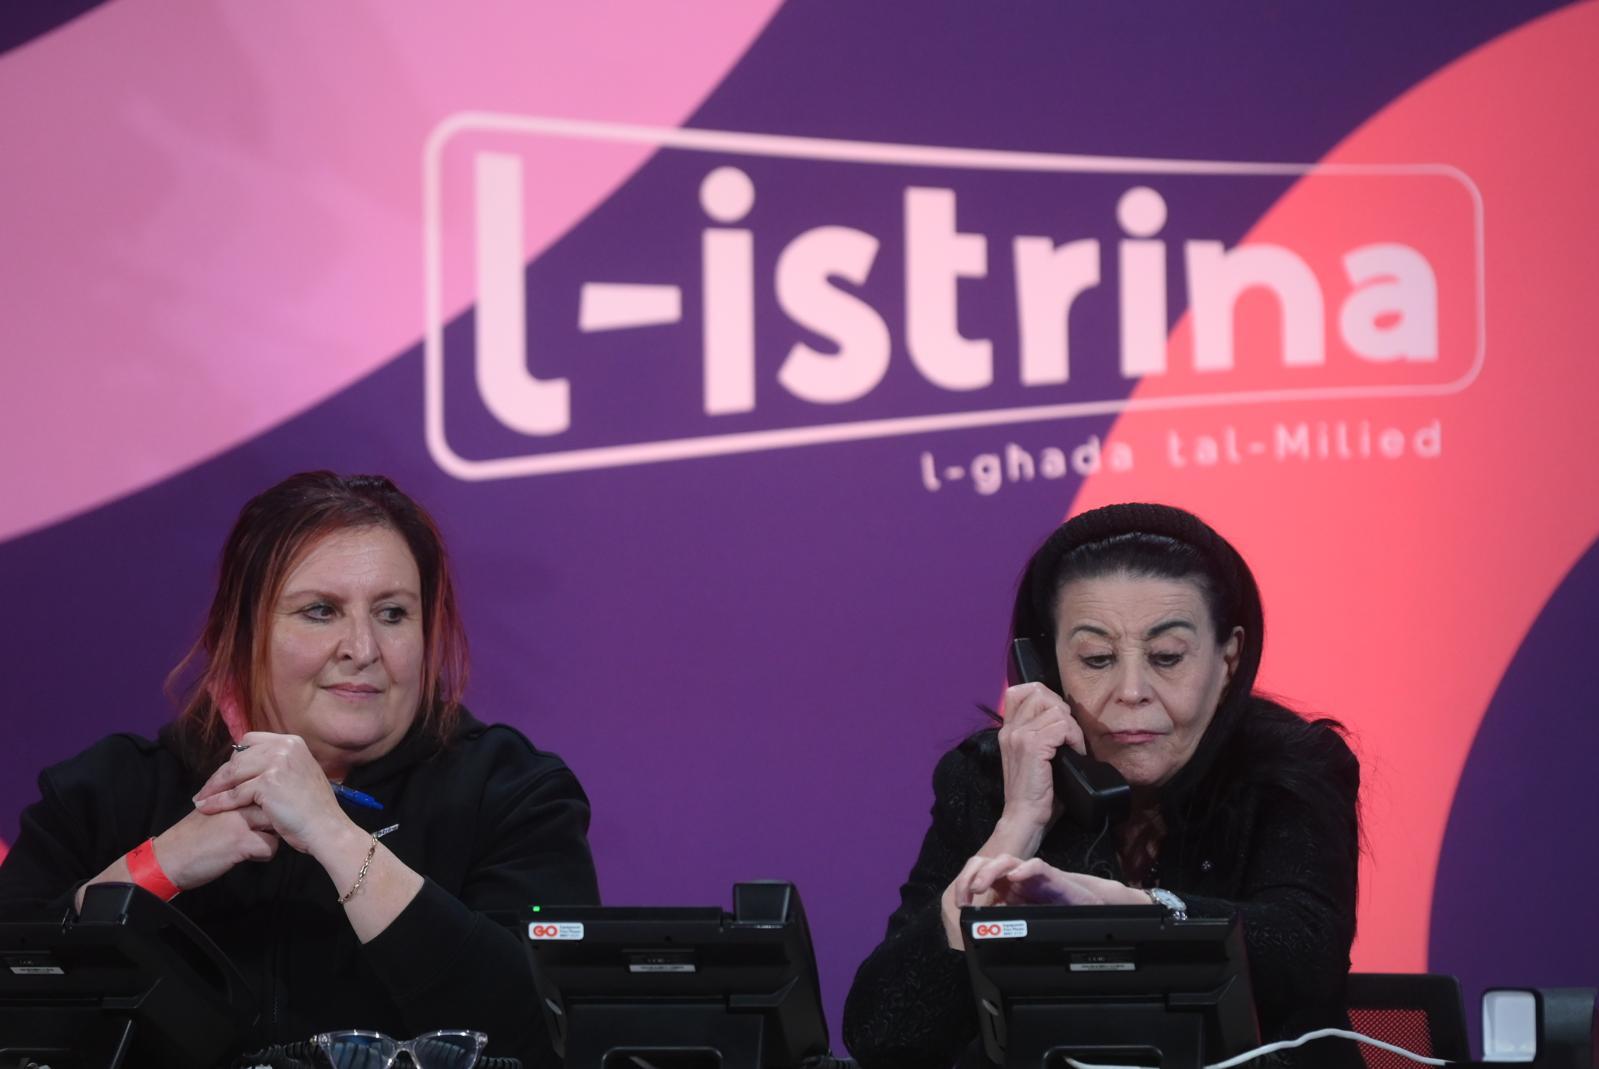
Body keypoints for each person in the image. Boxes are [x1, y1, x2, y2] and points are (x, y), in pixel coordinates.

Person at [0, 471, 600, 1065]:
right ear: (243, 629)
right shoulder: (107, 792)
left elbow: (541, 1034)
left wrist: (334, 836)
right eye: (320, 611)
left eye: (392, 613)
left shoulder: (513, 794)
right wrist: (161, 865)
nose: (363, 649)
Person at [843, 503, 1361, 1069]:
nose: (1131, 690)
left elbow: (1307, 955)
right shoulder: (987, 781)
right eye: (1096, 658)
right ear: (1042, 667)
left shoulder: (1296, 768)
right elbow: (883, 1036)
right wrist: (1015, 829)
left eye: (1167, 657)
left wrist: (1133, 912)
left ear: (1229, 659)